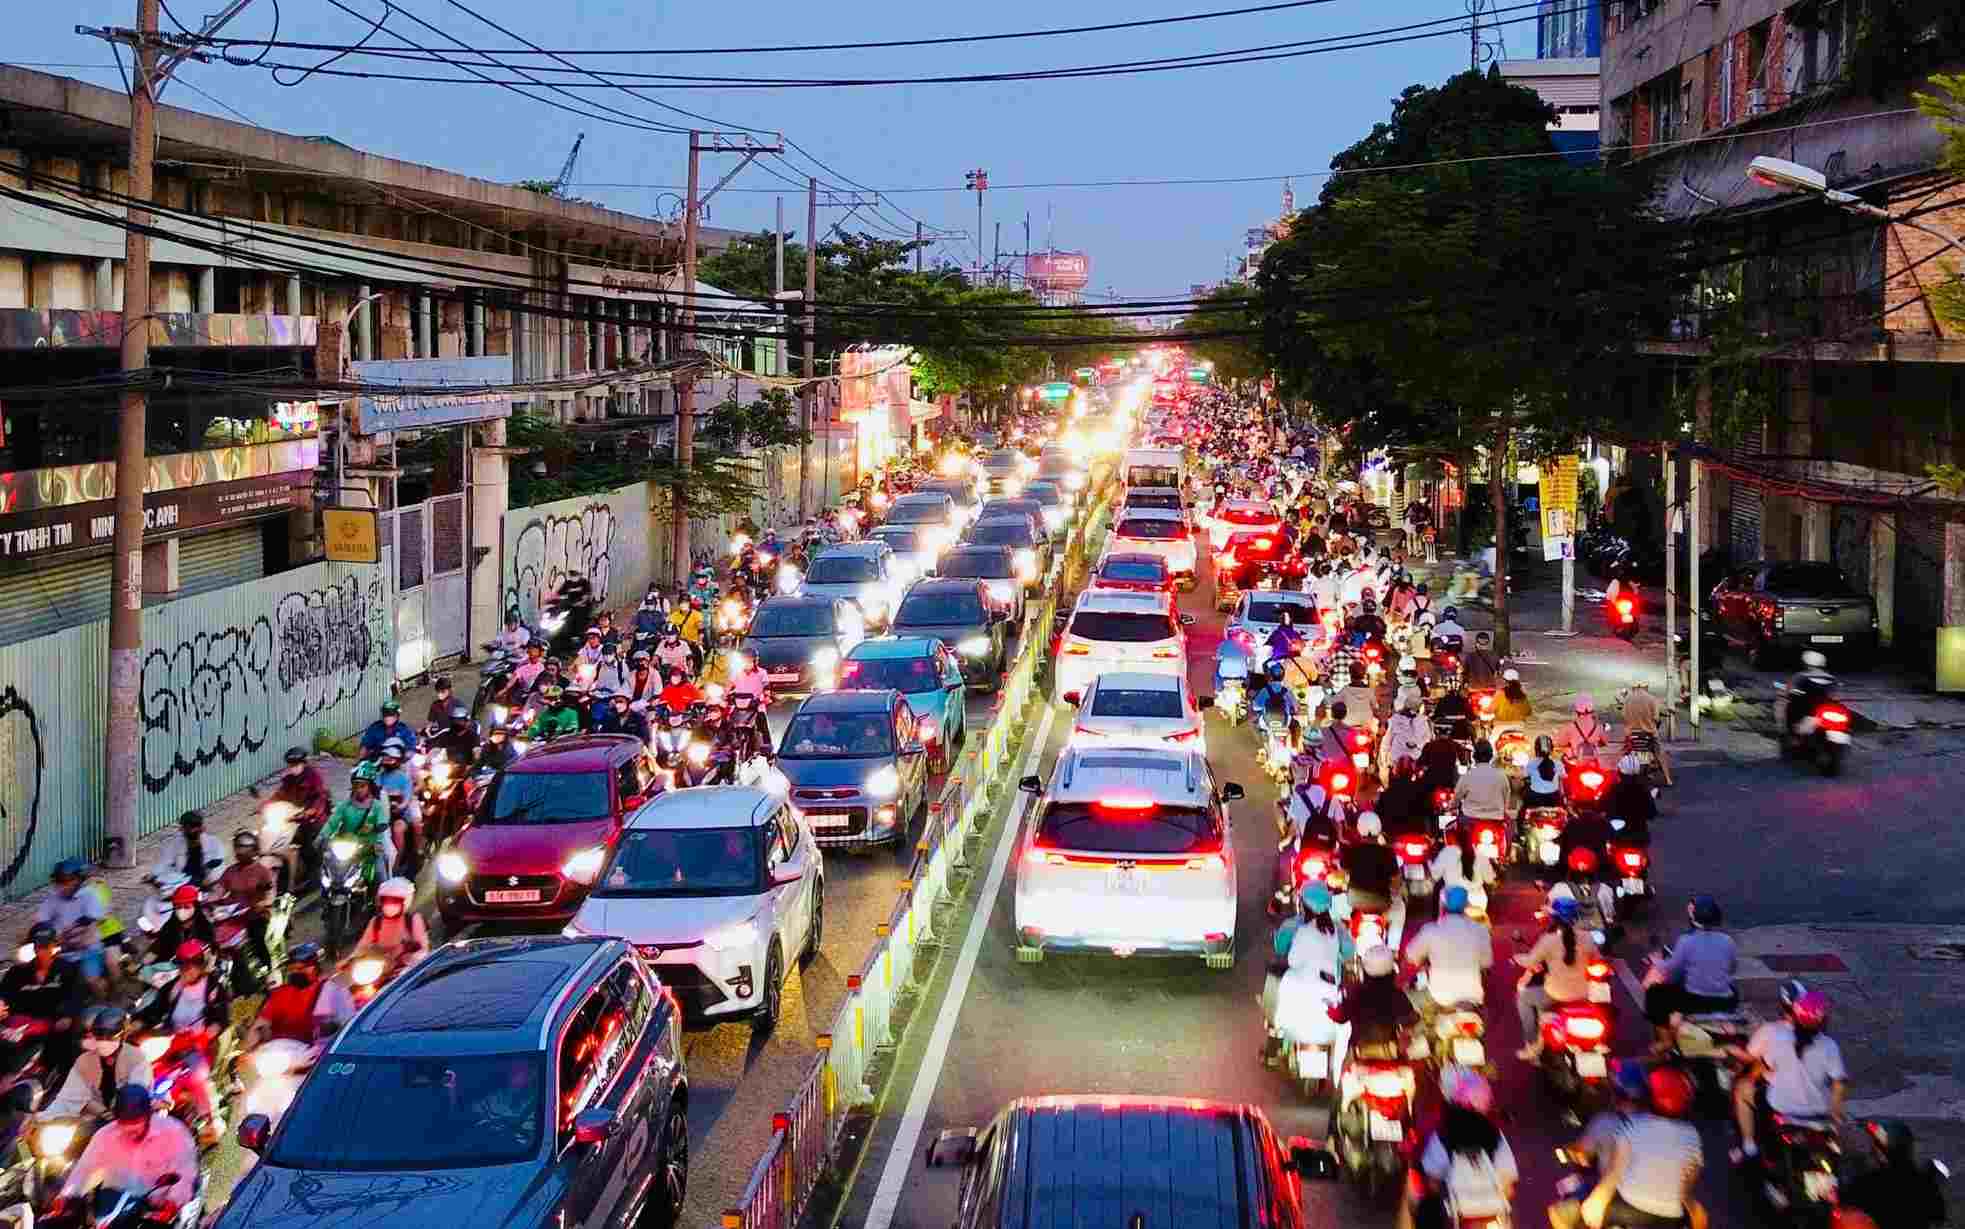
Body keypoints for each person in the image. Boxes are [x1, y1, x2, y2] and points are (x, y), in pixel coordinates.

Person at [1553, 1066, 1707, 1229]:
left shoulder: (1627, 1125)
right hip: (1669, 1218)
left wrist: (1598, 1200)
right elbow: (1688, 1182)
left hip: (1627, 1206)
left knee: (1560, 1213)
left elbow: (1614, 1173)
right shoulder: (1692, 1135)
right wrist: (1692, 1207)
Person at [1733, 985, 1846, 1166]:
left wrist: (1748, 1079)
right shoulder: (1830, 1046)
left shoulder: (1779, 1037)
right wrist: (1835, 1113)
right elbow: (1838, 1084)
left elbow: (1761, 1068)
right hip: (1819, 1112)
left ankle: (1749, 1146)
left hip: (1782, 1108)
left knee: (1742, 1089)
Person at [134, 942, 228, 1144]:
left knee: (196, 1076)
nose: (186, 969)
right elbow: (154, 1010)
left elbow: (220, 1020)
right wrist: (136, 1022)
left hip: (198, 1046)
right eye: (182, 964)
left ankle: (212, 1118)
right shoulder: (173, 987)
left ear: (201, 965)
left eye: (191, 964)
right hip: (171, 1042)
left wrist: (205, 1036)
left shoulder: (213, 989)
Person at [56, 1085, 199, 1216]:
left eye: (137, 1123)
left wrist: (173, 1200)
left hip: (157, 1207)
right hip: (114, 1204)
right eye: (125, 1124)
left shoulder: (174, 1132)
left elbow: (185, 1172)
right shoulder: (104, 1137)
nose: (131, 1130)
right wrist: (66, 1196)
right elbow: (84, 1170)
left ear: (148, 1116)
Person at [1412, 1068, 1516, 1229]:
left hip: (1457, 1212)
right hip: (1491, 1212)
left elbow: (1432, 1178)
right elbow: (1508, 1181)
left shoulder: (1445, 1131)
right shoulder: (1495, 1135)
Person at [1641, 894, 1738, 1053]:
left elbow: (1670, 968)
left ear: (1694, 917)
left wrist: (1655, 961)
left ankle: (1666, 1041)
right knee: (1733, 988)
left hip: (1695, 1000)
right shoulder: (1728, 941)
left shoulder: (1687, 940)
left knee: (1654, 994)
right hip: (1725, 1000)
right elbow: (1732, 968)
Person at [1513, 895, 1602, 1060]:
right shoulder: (1588, 937)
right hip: (1584, 994)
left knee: (1523, 999)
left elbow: (1530, 961)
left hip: (1555, 994)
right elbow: (1598, 960)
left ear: (1555, 918)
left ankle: (1532, 1045)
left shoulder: (1549, 940)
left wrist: (1519, 958)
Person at [46, 1006, 152, 1121]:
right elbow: (68, 1097)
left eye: (109, 1037)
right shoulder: (84, 1060)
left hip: (130, 1119)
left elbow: (137, 1094)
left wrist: (119, 1112)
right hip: (93, 1120)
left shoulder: (136, 1058)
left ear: (122, 1037)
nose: (102, 1042)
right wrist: (45, 1117)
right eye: (98, 1036)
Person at [0, 923, 82, 1070]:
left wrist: (67, 1015)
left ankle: (59, 1075)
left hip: (53, 1020)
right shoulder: (16, 972)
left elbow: (75, 994)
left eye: (46, 945)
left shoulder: (68, 969)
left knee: (66, 1042)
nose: (41, 950)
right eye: (37, 945)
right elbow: (4, 994)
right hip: (19, 1021)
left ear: (53, 946)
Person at [1841, 1119, 1949, 1229]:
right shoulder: (1924, 1181)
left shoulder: (1868, 1182)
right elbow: (1938, 1217)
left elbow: (1844, 1201)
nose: (1873, 1150)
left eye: (1876, 1146)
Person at [250, 942, 357, 1046]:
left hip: (318, 1052)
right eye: (292, 969)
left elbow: (348, 1026)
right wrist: (247, 1049)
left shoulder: (333, 992)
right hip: (279, 1053)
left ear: (315, 968)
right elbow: (261, 1023)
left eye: (301, 968)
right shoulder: (280, 994)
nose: (296, 972)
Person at [1404, 886, 1493, 1010]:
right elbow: (1486, 963)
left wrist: (1424, 962)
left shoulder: (1431, 930)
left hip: (1439, 997)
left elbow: (1410, 956)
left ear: (1444, 905)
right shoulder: (1480, 930)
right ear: (1466, 905)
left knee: (1408, 991)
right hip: (1473, 997)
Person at [35, 860, 109, 997]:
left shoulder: (89, 896)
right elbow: (39, 922)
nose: (63, 885)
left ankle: (104, 1003)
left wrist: (74, 941)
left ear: (79, 880)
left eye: (68, 881)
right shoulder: (53, 897)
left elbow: (91, 930)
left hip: (86, 951)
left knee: (92, 981)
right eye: (59, 881)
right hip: (58, 950)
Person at [1328, 943, 1417, 1049]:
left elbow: (1340, 1017)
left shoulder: (1356, 992)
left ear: (1364, 969)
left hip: (1358, 1052)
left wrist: (1332, 1006)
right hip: (1389, 1054)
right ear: (1391, 970)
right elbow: (1411, 1021)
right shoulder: (1397, 995)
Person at [219, 830, 278, 977]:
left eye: (243, 848)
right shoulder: (230, 871)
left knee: (257, 938)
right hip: (233, 915)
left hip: (255, 914)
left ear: (253, 850)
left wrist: (263, 903)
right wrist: (208, 900)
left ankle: (268, 969)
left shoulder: (261, 872)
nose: (239, 851)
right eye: (237, 847)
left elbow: (270, 893)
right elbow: (219, 891)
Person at [322, 763, 394, 879]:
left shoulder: (377, 806)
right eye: (356, 786)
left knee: (380, 873)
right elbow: (332, 822)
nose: (358, 789)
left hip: (370, 847)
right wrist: (322, 836)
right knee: (327, 869)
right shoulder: (345, 805)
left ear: (370, 787)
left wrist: (376, 830)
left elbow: (383, 822)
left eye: (362, 786)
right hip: (347, 845)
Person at [349, 877, 432, 972]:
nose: (389, 904)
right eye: (386, 900)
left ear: (405, 902)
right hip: (380, 969)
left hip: (406, 970)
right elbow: (362, 945)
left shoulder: (413, 920)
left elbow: (424, 950)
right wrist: (350, 960)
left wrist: (412, 959)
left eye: (395, 901)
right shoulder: (376, 922)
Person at [149, 810, 225, 889]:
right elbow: (163, 863)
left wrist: (209, 879)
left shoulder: (214, 843)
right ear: (182, 830)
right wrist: (154, 875)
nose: (191, 831)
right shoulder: (175, 843)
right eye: (186, 828)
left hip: (207, 885)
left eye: (194, 828)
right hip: (182, 884)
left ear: (202, 829)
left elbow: (219, 867)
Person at [1341, 812, 1398, 915]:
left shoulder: (1350, 850)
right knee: (1400, 909)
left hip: (1354, 902)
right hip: (1382, 904)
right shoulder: (1388, 852)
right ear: (1378, 828)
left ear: (1359, 828)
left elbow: (1343, 874)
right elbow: (1396, 881)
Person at [146, 883, 217, 964]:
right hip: (166, 965)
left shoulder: (205, 928)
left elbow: (211, 953)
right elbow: (159, 945)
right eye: (178, 907)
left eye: (186, 907)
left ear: (195, 907)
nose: (181, 911)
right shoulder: (171, 924)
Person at [1620, 679, 1672, 785]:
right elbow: (1656, 718)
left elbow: (1624, 717)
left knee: (1626, 753)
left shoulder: (1627, 699)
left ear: (1634, 687)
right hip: (1648, 733)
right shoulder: (1652, 699)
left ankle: (1627, 776)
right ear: (1646, 687)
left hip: (1631, 734)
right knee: (1660, 753)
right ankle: (1668, 779)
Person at [1781, 651, 1839, 741]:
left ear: (1806, 663)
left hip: (1806, 710)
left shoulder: (1800, 676)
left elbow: (1791, 693)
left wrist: (1789, 695)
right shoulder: (1831, 678)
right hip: (1826, 711)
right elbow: (1835, 695)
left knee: (1789, 708)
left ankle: (1791, 735)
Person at [1453, 740, 1509, 827]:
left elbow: (1457, 797)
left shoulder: (1468, 775)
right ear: (1491, 756)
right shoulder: (1501, 776)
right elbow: (1506, 797)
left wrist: (1453, 806)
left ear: (1474, 756)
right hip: (1496, 820)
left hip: (1470, 819)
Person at [1382, 688, 1431, 777]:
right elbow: (1387, 741)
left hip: (1416, 758)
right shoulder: (1394, 720)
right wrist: (1385, 760)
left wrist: (1417, 745)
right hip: (1397, 758)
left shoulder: (1423, 721)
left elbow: (1427, 740)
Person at [1557, 695, 1611, 764]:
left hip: (1577, 763)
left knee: (1563, 758)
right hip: (1593, 763)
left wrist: (1569, 744)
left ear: (1577, 710)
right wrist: (1596, 742)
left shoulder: (1570, 727)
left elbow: (1561, 743)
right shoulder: (1598, 726)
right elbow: (1605, 741)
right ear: (1592, 709)